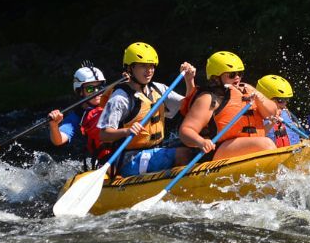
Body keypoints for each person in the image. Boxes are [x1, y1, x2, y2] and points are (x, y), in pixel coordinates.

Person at [97, 42, 195, 176]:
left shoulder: (158, 89)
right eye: (143, 66)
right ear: (130, 68)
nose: (149, 71)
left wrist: (189, 80)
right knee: (184, 154)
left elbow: (190, 106)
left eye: (151, 66)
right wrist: (126, 131)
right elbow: (104, 135)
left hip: (155, 149)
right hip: (128, 159)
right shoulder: (120, 98)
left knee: (192, 145)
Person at [179, 51, 278, 160]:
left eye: (240, 74)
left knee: (266, 144)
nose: (237, 78)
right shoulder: (208, 98)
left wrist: (260, 99)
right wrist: (201, 142)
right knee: (266, 145)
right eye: (232, 75)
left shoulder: (247, 89)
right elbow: (186, 131)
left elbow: (272, 113)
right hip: (217, 149)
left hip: (248, 145)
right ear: (216, 77)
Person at [47, 63, 114, 168]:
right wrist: (54, 126)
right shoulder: (75, 118)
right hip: (102, 162)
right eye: (90, 89)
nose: (97, 92)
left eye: (100, 87)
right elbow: (58, 141)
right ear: (80, 92)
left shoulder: (115, 102)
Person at [257, 74, 303, 147]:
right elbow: (255, 139)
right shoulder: (255, 117)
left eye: (286, 100)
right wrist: (271, 123)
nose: (284, 104)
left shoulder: (287, 113)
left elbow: (304, 135)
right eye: (280, 100)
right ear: (265, 99)